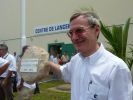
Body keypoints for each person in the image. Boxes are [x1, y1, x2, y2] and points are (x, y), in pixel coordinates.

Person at [31, 9, 132, 100]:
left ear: (96, 30)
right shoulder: (76, 60)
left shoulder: (116, 68)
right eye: (71, 33)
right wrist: (46, 63)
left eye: (79, 30)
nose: (74, 38)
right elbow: (63, 71)